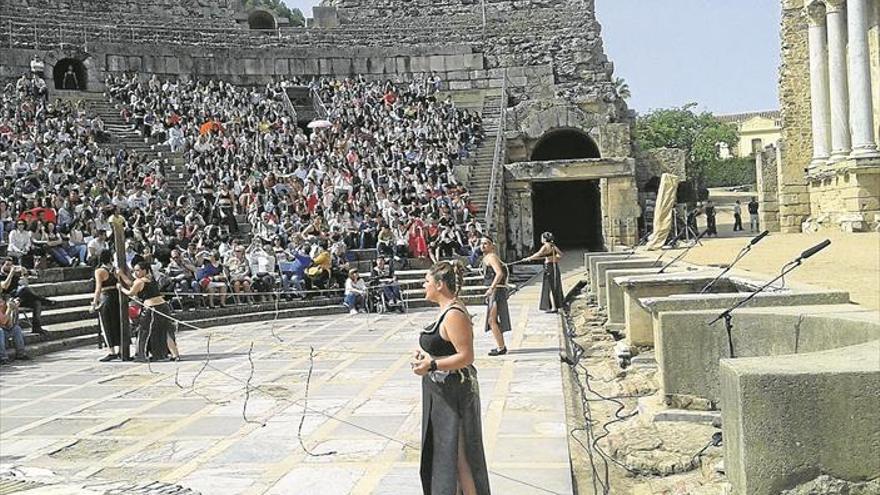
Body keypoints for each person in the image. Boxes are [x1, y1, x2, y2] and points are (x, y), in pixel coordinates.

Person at [411, 261, 491, 495]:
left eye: (427, 281)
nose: (423, 285)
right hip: (440, 391)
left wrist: (432, 364)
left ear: (440, 284)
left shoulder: (454, 314)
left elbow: (466, 356)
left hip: (454, 392)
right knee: (446, 453)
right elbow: (446, 348)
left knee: (460, 456)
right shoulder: (447, 310)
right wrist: (426, 357)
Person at [118, 261, 179, 362]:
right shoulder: (151, 278)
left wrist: (120, 288)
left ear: (144, 270)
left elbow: (131, 292)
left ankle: (141, 355)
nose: (136, 272)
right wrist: (122, 275)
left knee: (144, 331)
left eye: (138, 270)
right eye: (134, 271)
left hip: (152, 308)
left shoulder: (140, 281)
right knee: (165, 331)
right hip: (163, 306)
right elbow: (132, 284)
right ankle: (173, 355)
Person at [91, 250, 129, 361]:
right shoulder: (116, 270)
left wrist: (94, 303)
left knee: (107, 325)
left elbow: (98, 289)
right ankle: (121, 350)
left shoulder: (99, 271)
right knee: (118, 323)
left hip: (106, 297)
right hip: (116, 297)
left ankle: (111, 351)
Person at [0, 259, 55, 334]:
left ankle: (36, 327)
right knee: (24, 289)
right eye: (7, 265)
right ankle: (44, 300)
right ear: (1, 265)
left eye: (11, 265)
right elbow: (5, 286)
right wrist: (11, 273)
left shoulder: (15, 273)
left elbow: (31, 274)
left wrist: (24, 271)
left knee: (36, 303)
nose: (9, 267)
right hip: (8, 299)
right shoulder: (1, 275)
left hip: (20, 296)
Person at [481, 237, 511, 356]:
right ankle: (501, 345)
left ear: (492, 245)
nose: (483, 246)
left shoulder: (491, 257)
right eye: (481, 243)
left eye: (486, 244)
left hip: (496, 291)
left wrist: (491, 288)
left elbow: (499, 273)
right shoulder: (488, 257)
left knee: (492, 320)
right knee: (492, 320)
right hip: (496, 290)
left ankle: (501, 347)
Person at [522, 232, 564, 313]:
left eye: (542, 237)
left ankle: (553, 307)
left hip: (548, 267)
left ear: (544, 239)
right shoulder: (553, 246)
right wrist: (555, 258)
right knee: (554, 286)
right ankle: (556, 306)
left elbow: (538, 254)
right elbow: (561, 254)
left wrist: (528, 258)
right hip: (555, 266)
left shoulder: (545, 246)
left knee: (549, 287)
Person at [0, 297, 30, 365]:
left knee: (17, 329)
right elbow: (3, 321)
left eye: (2, 302)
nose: (1, 304)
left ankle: (21, 354)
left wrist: (14, 309)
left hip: (5, 329)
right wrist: (9, 309)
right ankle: (3, 358)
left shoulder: (7, 307)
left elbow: (11, 324)